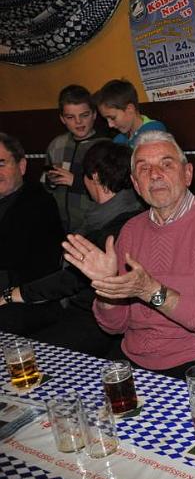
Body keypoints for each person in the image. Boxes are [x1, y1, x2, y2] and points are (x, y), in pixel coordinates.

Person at [63, 131, 195, 388]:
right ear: (136, 184)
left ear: (187, 174)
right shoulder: (131, 230)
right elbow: (114, 326)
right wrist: (107, 287)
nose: (155, 174)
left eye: (166, 164)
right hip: (134, 358)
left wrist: (151, 291)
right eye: (144, 168)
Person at [2, 141, 143, 357]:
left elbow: (72, 279)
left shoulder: (116, 225)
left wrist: (13, 294)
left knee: (32, 352)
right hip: (75, 304)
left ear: (94, 177)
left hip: (94, 315)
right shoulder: (114, 214)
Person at [0, 133, 65, 334]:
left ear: (21, 166)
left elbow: (14, 258)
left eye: (1, 164)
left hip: (27, 301)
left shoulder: (39, 203)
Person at [42, 84, 108, 232]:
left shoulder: (105, 147)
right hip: (60, 225)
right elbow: (45, 183)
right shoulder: (56, 145)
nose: (78, 122)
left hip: (94, 226)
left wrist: (75, 181)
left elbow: (110, 190)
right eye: (70, 117)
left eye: (84, 115)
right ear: (62, 119)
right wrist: (50, 181)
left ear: (94, 114)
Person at [93, 79, 166, 148]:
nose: (110, 125)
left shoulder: (154, 131)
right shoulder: (119, 140)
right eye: (106, 119)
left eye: (113, 118)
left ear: (129, 109)